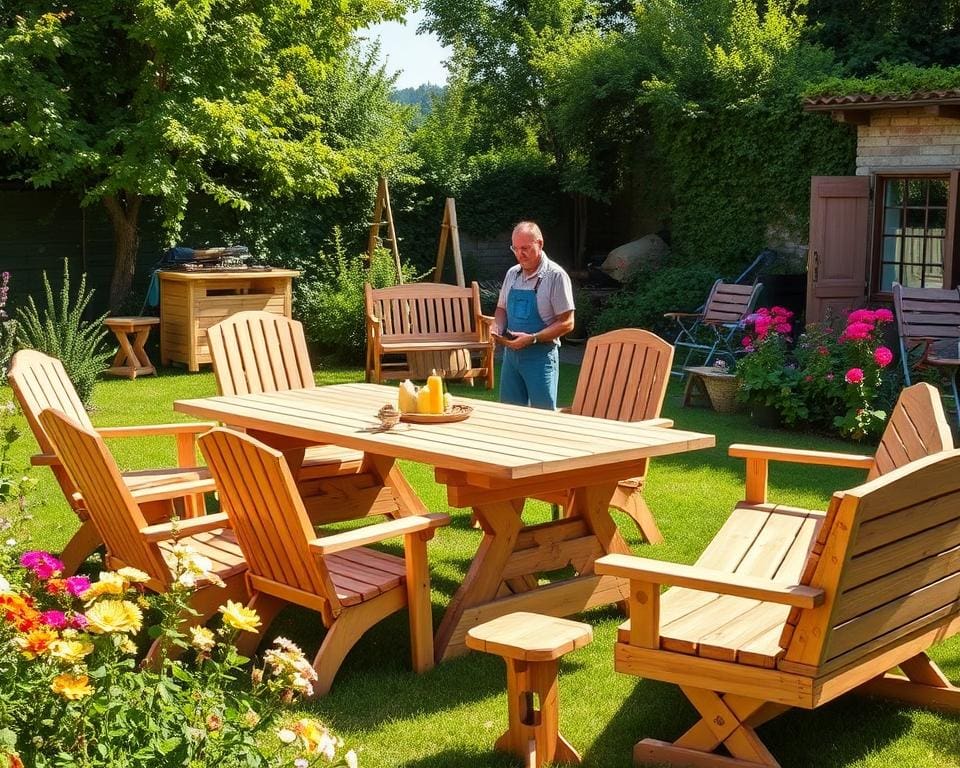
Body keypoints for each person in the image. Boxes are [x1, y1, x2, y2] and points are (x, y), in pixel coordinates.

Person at [493, 221, 575, 410]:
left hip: (540, 357)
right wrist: (496, 326)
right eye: (515, 248)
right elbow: (501, 309)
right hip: (511, 357)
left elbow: (568, 322)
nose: (520, 254)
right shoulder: (512, 274)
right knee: (509, 416)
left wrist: (533, 338)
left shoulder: (556, 276)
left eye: (526, 248)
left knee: (542, 419)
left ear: (540, 243)